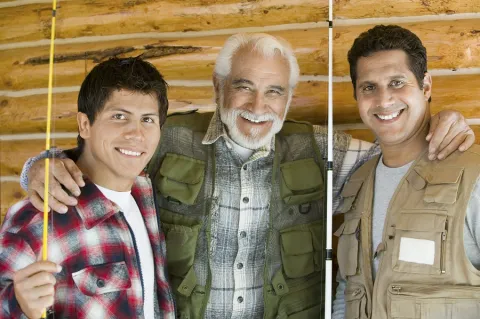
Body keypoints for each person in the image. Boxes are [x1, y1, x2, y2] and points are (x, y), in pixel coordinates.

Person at [19, 33, 475, 319]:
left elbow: (395, 146)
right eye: (244, 87)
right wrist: (41, 165)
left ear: (289, 97)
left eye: (274, 91)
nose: (259, 107)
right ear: (219, 87)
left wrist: (441, 120)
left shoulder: (320, 147)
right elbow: (110, 158)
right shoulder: (168, 138)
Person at [0, 57, 175, 319]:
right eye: (119, 116)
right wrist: (19, 306)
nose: (136, 134)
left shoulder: (146, 194)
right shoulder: (35, 218)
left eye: (147, 120)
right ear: (85, 125)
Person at [332, 25, 480, 319]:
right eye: (369, 87)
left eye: (397, 82)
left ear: (426, 87)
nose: (384, 100)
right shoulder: (357, 182)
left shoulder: (473, 175)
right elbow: (348, 291)